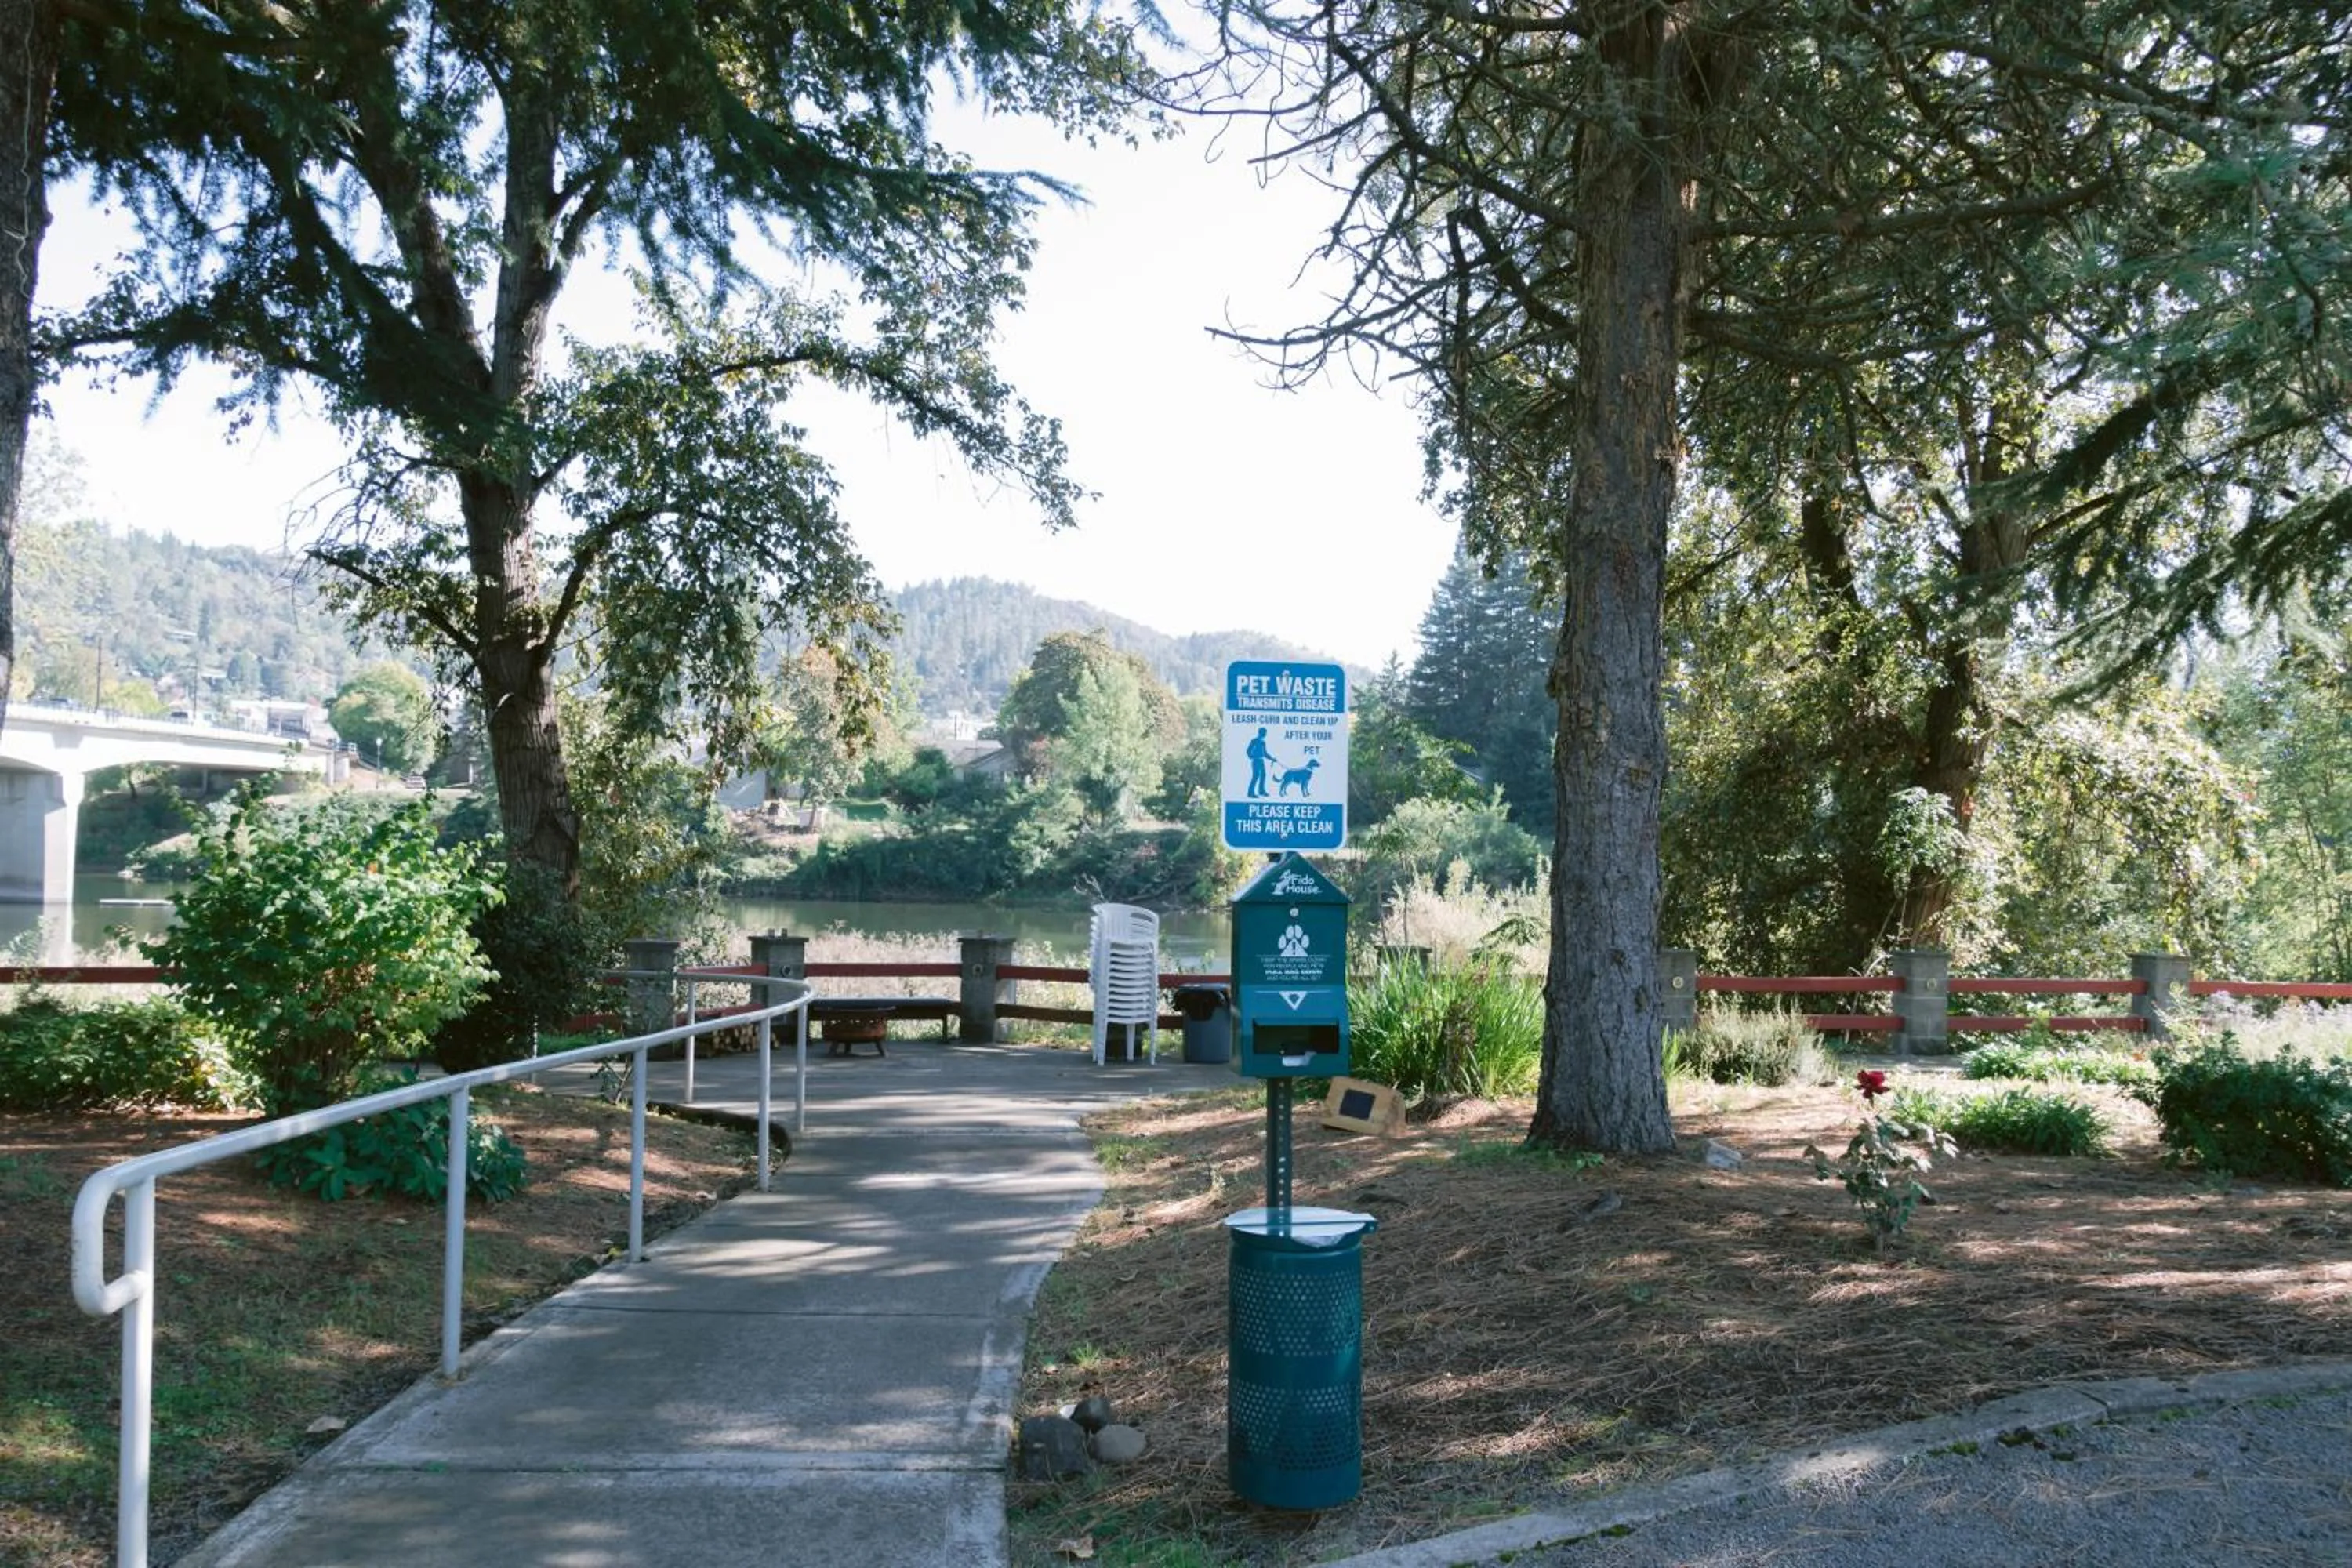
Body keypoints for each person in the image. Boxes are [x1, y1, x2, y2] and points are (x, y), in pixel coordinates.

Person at [1246, 727, 1272, 797]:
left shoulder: (1263, 742)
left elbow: (1265, 754)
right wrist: (1252, 757)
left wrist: (1272, 759)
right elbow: (1248, 751)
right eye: (1264, 733)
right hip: (1256, 761)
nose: (1265, 734)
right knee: (1256, 776)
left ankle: (1261, 791)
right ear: (1260, 733)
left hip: (1261, 761)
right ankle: (1250, 793)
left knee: (1263, 775)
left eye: (1265, 733)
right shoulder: (1254, 741)